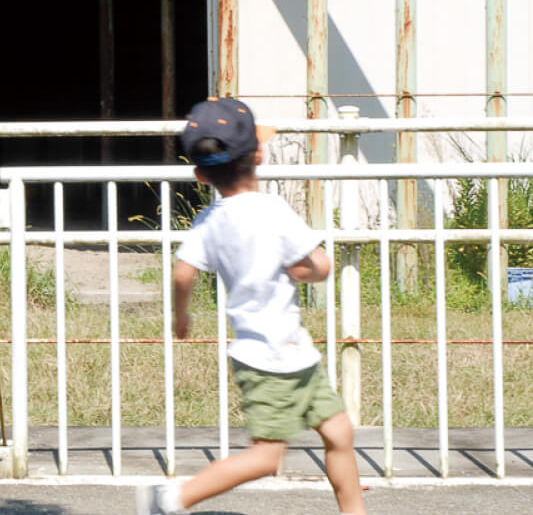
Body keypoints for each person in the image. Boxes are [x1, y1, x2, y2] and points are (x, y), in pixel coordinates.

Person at [135, 97, 366, 515]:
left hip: (285, 353)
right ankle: (171, 499)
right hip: (274, 357)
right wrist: (310, 270)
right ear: (258, 154)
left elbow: (183, 274)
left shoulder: (209, 221)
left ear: (200, 173)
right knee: (267, 456)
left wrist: (181, 316)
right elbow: (320, 265)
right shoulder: (273, 210)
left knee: (339, 432)